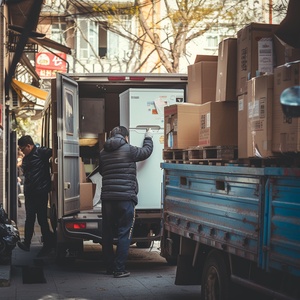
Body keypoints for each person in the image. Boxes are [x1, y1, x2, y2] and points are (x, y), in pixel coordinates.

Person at [99, 126, 153, 278]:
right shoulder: (129, 149)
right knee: (124, 233)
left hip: (108, 199)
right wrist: (148, 137)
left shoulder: (103, 152)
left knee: (107, 234)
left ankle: (109, 267)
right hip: (125, 198)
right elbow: (146, 152)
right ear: (125, 137)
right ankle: (119, 269)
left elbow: (103, 171)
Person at [17, 135, 55, 257]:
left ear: (29, 145)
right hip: (30, 193)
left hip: (40, 192)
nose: (22, 152)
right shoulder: (27, 158)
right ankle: (27, 243)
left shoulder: (41, 152)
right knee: (30, 218)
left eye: (23, 149)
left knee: (42, 219)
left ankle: (48, 245)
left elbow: (54, 151)